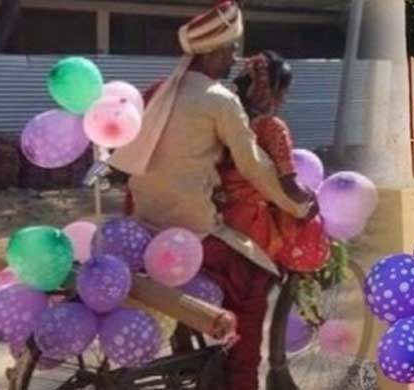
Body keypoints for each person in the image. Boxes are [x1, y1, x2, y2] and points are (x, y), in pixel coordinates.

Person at [107, 2, 315, 389]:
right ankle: (240, 380)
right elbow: (254, 166)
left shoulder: (157, 91)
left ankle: (187, 348)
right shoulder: (220, 99)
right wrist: (297, 205)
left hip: (140, 222)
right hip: (191, 228)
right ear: (215, 52)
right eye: (230, 51)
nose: (233, 58)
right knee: (252, 281)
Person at [217, 50, 331, 273]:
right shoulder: (272, 128)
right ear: (272, 91)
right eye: (284, 92)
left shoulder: (224, 120)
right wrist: (312, 198)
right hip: (253, 222)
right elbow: (289, 186)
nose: (284, 99)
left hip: (220, 211)